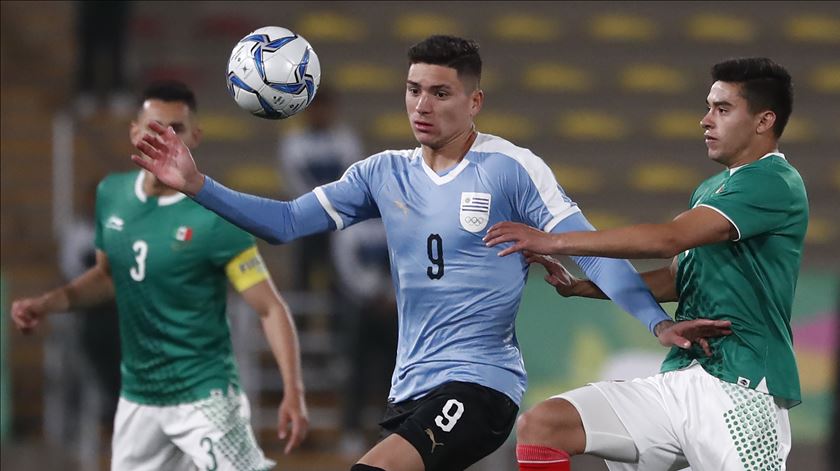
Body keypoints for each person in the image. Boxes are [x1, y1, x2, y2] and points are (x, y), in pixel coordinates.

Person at [131, 36, 729, 471]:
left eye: (440, 92)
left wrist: (656, 322)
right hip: (411, 386)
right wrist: (196, 184)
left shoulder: (510, 170)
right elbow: (286, 223)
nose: (422, 105)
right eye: (413, 90)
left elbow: (590, 251)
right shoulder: (381, 174)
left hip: (480, 384)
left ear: (474, 103)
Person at [484, 57, 804, 470]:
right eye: (708, 107)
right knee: (544, 425)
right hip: (681, 377)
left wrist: (554, 240)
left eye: (722, 109)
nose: (706, 120)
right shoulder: (713, 188)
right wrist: (584, 286)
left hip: (744, 389)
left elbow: (667, 239)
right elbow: (677, 277)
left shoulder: (774, 182)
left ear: (764, 121)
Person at [11, 81, 309, 470]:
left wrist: (293, 389)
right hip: (139, 399)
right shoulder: (112, 194)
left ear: (195, 137)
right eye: (154, 127)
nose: (164, 138)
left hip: (204, 395)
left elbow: (269, 308)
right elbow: (107, 276)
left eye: (177, 129)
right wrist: (46, 303)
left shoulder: (218, 219)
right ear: (134, 131)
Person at [277, 85, 362, 290]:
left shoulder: (345, 140)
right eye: (315, 108)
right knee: (303, 276)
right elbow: (293, 180)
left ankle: (340, 321)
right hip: (308, 218)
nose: (320, 114)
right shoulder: (294, 141)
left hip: (338, 220)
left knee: (339, 280)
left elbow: (352, 176)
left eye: (324, 108)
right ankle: (300, 321)